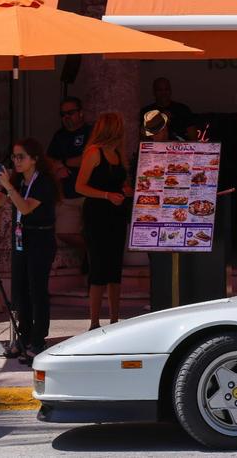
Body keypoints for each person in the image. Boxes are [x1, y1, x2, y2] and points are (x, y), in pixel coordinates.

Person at [0, 138, 59, 363]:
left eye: (21, 157)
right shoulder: (18, 181)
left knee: (37, 291)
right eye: (14, 157)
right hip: (21, 239)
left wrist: (8, 186)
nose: (16, 161)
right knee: (20, 291)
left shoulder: (43, 182)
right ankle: (23, 336)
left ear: (34, 159)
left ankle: (38, 339)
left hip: (40, 238)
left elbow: (25, 207)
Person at [75, 112, 133, 330]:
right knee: (98, 268)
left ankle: (115, 319)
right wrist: (107, 195)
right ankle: (94, 322)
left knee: (114, 268)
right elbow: (79, 186)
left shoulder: (118, 153)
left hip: (116, 215)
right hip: (97, 215)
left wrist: (125, 190)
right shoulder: (93, 152)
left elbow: (119, 183)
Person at [47, 97, 92, 250]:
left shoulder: (91, 132)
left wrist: (64, 163)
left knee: (94, 232)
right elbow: (48, 160)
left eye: (70, 113)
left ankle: (95, 258)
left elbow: (89, 159)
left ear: (81, 113)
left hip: (89, 194)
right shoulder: (59, 136)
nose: (66, 117)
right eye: (63, 114)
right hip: (67, 195)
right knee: (64, 232)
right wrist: (58, 168)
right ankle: (92, 253)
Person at [140, 77, 192, 141]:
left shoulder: (183, 109)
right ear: (154, 92)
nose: (163, 93)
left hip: (181, 148)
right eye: (159, 90)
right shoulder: (146, 111)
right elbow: (142, 137)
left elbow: (193, 135)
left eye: (166, 89)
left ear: (170, 91)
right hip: (156, 148)